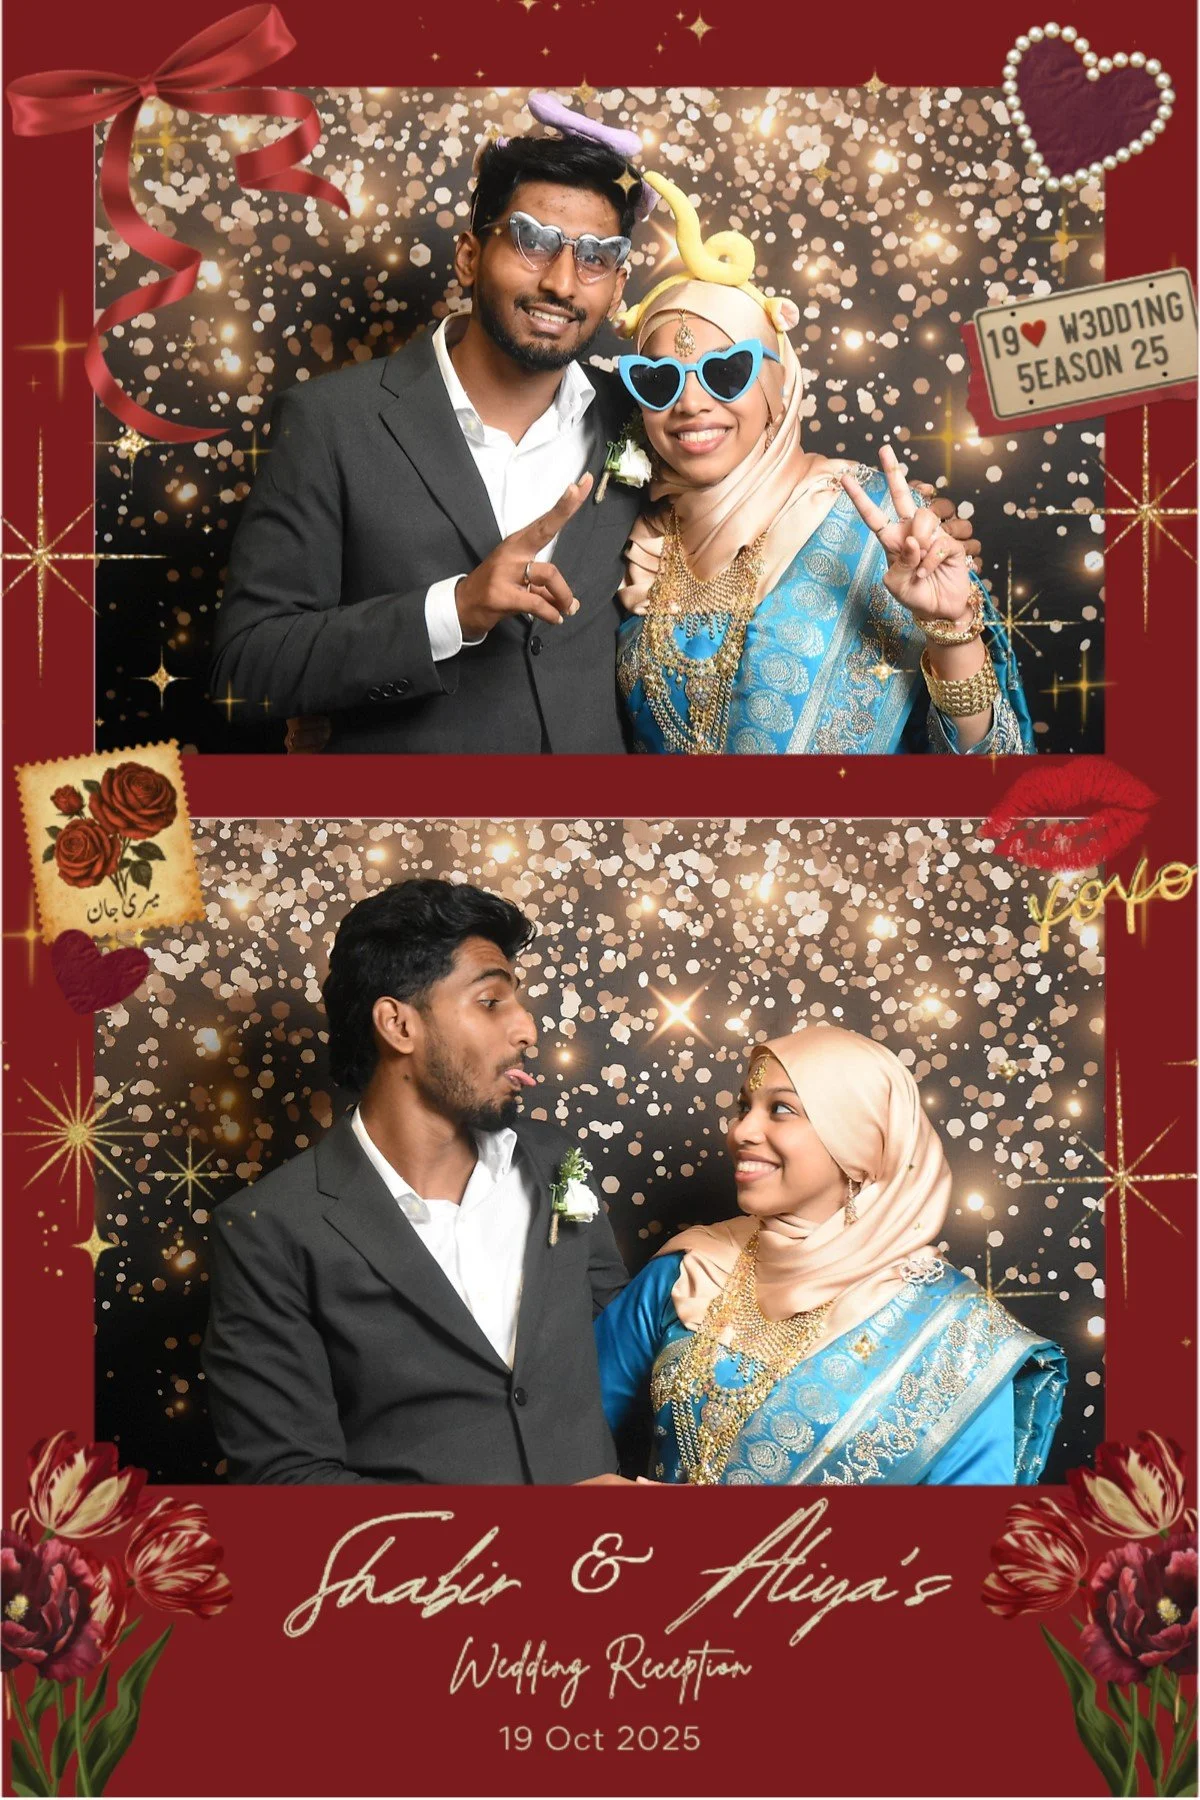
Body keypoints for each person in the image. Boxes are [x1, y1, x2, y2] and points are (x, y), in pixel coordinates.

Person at [210, 114, 651, 753]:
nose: (560, 281)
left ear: (617, 285)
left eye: (595, 257)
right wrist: (454, 609)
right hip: (408, 836)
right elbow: (246, 669)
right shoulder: (331, 421)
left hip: (602, 844)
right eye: (532, 241)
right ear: (471, 257)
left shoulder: (641, 415)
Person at [203, 880, 634, 1484]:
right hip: (430, 1579)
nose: (527, 1030)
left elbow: (622, 1340)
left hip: (603, 1567)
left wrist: (713, 1268)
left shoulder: (561, 1163)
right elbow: (288, 1481)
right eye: (491, 1002)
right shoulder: (268, 1230)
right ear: (398, 1026)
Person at [612, 174, 1034, 754]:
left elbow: (995, 770)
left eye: (725, 371)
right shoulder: (639, 539)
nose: (689, 403)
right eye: (657, 379)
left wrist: (951, 632)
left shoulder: (874, 523)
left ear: (777, 387)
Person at [595, 1027, 1066, 1484]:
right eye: (744, 1107)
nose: (741, 1130)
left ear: (858, 1140)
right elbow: (563, 1436)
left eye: (780, 1109)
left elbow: (963, 1542)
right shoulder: (690, 1269)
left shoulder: (956, 1337)